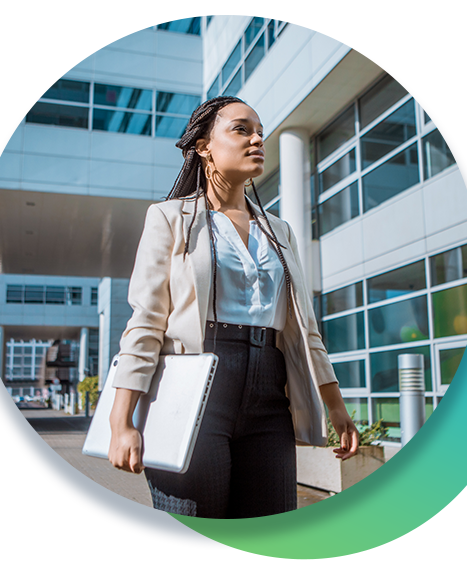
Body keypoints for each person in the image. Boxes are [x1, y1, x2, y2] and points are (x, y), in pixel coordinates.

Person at [108, 96, 359, 519]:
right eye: (241, 129)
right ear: (204, 146)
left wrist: (335, 406)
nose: (257, 138)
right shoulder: (170, 219)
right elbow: (146, 322)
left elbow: (305, 327)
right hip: (195, 386)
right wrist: (122, 421)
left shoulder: (278, 231)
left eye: (259, 130)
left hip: (270, 392)